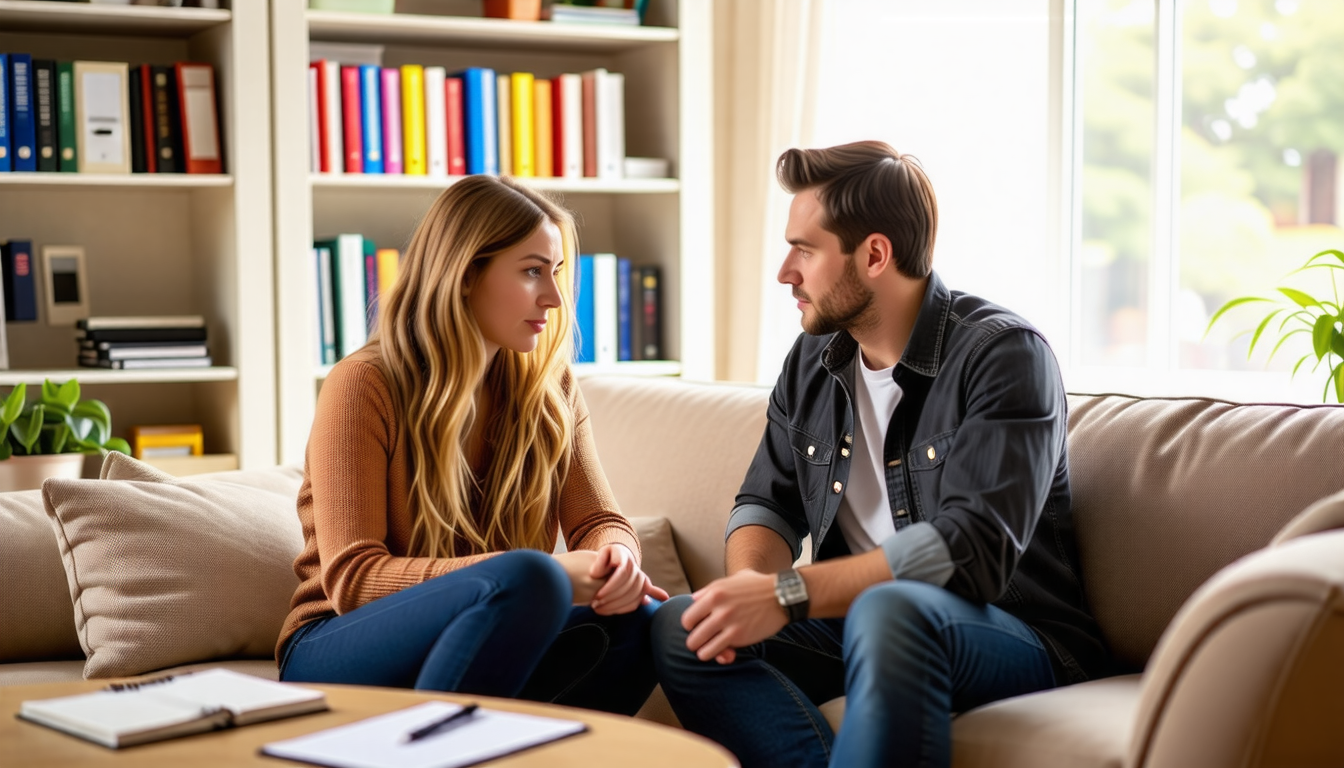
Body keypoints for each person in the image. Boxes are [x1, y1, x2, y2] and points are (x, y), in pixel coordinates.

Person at [650, 141, 1110, 767]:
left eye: (805, 250)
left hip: (1007, 632)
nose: (785, 271)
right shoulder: (813, 358)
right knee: (687, 627)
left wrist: (785, 595)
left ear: (874, 254)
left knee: (893, 610)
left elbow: (968, 552)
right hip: (858, 622)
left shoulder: (1004, 355)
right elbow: (767, 501)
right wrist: (748, 590)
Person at [277, 175, 668, 716]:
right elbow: (352, 579)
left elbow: (599, 519)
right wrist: (538, 576)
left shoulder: (549, 390)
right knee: (532, 576)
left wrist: (616, 560)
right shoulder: (364, 385)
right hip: (337, 643)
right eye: (533, 271)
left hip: (488, 632)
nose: (554, 298)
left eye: (555, 273)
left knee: (644, 620)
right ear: (464, 275)